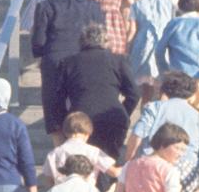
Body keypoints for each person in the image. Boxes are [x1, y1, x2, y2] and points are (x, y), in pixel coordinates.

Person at [30, 0, 105, 143]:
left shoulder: (45, 6)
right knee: (83, 105)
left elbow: (39, 41)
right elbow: (100, 37)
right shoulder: (93, 7)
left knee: (54, 108)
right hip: (84, 61)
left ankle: (60, 152)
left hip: (54, 60)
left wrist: (41, 54)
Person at [56, 22, 138, 160]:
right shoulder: (118, 61)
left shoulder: (68, 63)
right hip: (112, 118)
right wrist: (123, 111)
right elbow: (134, 93)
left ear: (81, 42)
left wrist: (67, 119)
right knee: (108, 162)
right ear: (106, 41)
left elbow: (58, 98)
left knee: (81, 163)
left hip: (80, 121)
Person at [127, 0, 180, 92]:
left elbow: (132, 30)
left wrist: (127, 50)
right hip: (167, 44)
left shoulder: (137, 3)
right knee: (166, 87)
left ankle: (146, 110)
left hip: (143, 46)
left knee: (147, 91)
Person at [42, 112, 120, 186]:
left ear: (65, 132)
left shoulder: (54, 153)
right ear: (87, 134)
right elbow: (114, 173)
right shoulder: (93, 151)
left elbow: (49, 179)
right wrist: (128, 166)